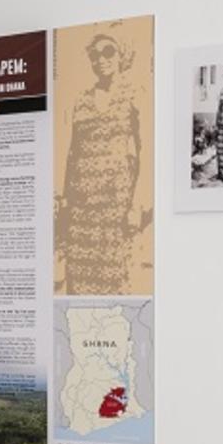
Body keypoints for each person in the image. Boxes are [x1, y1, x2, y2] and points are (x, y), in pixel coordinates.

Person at [56, 32, 146, 295]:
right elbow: (70, 153)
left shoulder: (133, 94)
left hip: (115, 205)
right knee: (81, 280)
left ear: (120, 56)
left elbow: (144, 150)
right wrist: (64, 198)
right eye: (94, 55)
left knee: (116, 279)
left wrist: (136, 204)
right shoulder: (80, 99)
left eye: (108, 52)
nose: (101, 59)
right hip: (82, 207)